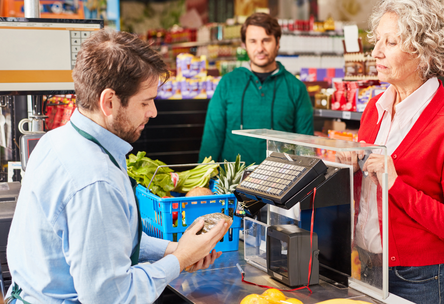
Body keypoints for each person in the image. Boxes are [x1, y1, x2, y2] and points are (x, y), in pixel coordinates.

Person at [5, 29, 230, 303]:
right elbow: (109, 296)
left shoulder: (58, 139)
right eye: (145, 102)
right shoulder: (95, 180)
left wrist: (174, 248)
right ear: (109, 102)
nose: (153, 112)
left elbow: (107, 241)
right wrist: (180, 260)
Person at [337, 0, 444, 303]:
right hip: (366, 266)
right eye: (377, 39)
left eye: (390, 42)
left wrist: (396, 184)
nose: (376, 51)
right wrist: (349, 167)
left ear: (424, 53)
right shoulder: (375, 108)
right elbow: (369, 194)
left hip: (422, 279)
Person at [198, 12, 314, 166]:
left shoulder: (296, 88)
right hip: (233, 184)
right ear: (244, 45)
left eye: (266, 40)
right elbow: (212, 139)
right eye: (253, 41)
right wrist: (201, 182)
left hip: (281, 183)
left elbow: (305, 147)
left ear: (278, 42)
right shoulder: (227, 83)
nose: (260, 48)